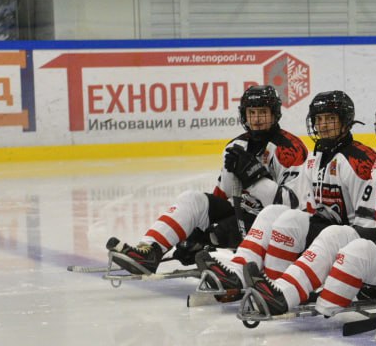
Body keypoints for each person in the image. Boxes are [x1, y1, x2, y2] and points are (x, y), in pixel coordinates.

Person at [241, 94, 376, 315]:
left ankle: (319, 302)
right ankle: (283, 291)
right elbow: (370, 218)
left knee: (358, 251)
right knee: (336, 234)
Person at [108, 84, 306, 275]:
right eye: (251, 113)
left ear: (274, 114)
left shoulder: (290, 150)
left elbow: (294, 206)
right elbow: (222, 195)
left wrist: (253, 180)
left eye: (262, 113)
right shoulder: (236, 146)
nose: (256, 119)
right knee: (193, 199)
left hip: (270, 225)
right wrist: (197, 235)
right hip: (241, 216)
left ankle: (248, 269)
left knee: (224, 231)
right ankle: (149, 251)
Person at [195, 90, 376, 294]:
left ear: (345, 121)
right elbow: (300, 206)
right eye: (319, 119)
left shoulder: (360, 161)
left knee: (289, 221)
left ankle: (279, 288)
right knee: (273, 213)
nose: (323, 125)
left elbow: (369, 222)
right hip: (325, 230)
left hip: (347, 240)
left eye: (330, 119)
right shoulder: (315, 158)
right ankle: (241, 275)